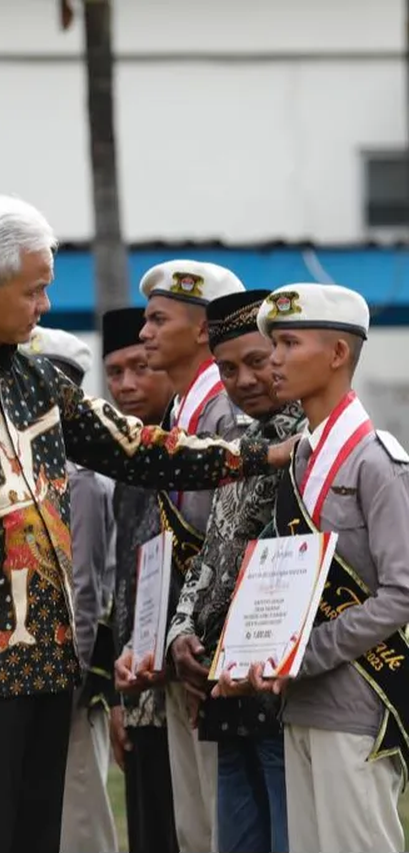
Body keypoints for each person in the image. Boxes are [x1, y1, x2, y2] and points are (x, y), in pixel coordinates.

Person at [0, 194, 289, 853]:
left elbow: (137, 446)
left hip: (47, 670)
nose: (43, 308)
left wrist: (257, 454)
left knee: (38, 838)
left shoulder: (33, 378)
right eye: (35, 291)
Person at [217, 282, 409, 853]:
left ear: (337, 354)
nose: (273, 360)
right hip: (296, 702)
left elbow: (401, 593)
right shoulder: (299, 457)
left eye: (288, 343)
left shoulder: (377, 461)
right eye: (273, 344)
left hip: (356, 703)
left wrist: (306, 653)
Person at [167, 289, 305, 853]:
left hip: (279, 688)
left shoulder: (316, 445)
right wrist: (179, 633)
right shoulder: (237, 446)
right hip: (221, 688)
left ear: (283, 355)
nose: (244, 379)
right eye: (227, 368)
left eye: (257, 361)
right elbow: (209, 554)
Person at [134, 259, 246, 853]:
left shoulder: (224, 411)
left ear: (203, 329)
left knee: (216, 823)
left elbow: (230, 538)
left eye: (158, 319)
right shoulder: (182, 412)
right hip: (183, 646)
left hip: (210, 653)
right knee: (193, 823)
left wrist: (208, 639)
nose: (144, 333)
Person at [20, 325, 118, 853]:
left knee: (80, 812)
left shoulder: (80, 477)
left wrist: (72, 680)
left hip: (69, 678)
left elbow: (85, 589)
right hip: (25, 673)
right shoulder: (23, 473)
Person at [103, 307, 178, 853]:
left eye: (138, 366)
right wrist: (116, 699)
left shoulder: (191, 455)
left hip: (184, 682)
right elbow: (119, 594)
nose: (126, 385)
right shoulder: (127, 467)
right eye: (114, 372)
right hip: (138, 689)